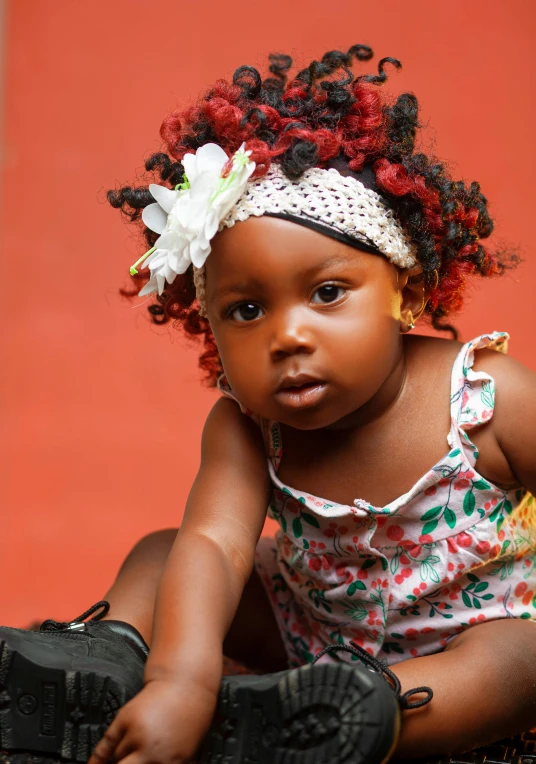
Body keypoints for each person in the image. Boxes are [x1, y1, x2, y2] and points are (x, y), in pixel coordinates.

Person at [1, 45, 536, 764]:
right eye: (247, 309)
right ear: (209, 323)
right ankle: (105, 670)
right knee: (165, 556)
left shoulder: (486, 398)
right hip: (305, 632)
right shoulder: (249, 425)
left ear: (405, 290)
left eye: (325, 294)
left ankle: (338, 729)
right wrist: (182, 679)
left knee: (521, 657)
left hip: (454, 650)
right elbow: (217, 549)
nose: (287, 335)